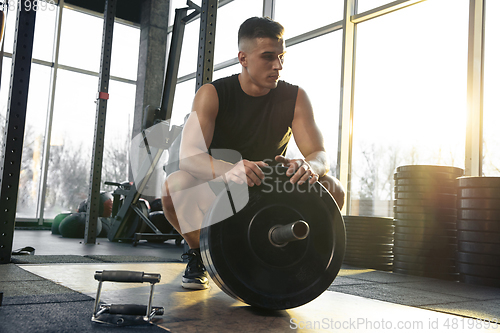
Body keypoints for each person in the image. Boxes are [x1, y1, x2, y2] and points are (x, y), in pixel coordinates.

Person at [161, 16, 345, 290]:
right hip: (222, 189)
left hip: (270, 189)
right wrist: (230, 169)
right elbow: (189, 155)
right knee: (175, 185)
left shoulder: (294, 97)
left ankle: (292, 258)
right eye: (268, 57)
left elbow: (319, 154)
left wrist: (310, 166)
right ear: (243, 58)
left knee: (333, 188)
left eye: (281, 57)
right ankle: (201, 254)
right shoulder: (213, 93)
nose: (278, 66)